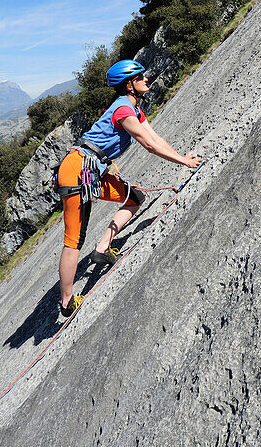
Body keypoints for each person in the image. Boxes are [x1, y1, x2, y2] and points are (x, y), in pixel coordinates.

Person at [57, 59, 202, 316]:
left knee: (134, 198)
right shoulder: (124, 110)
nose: (147, 79)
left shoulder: (134, 109)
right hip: (77, 171)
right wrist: (184, 162)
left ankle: (102, 249)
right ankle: (67, 301)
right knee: (74, 240)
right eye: (141, 77)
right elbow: (149, 146)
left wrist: (182, 156)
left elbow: (155, 138)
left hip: (93, 168)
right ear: (129, 84)